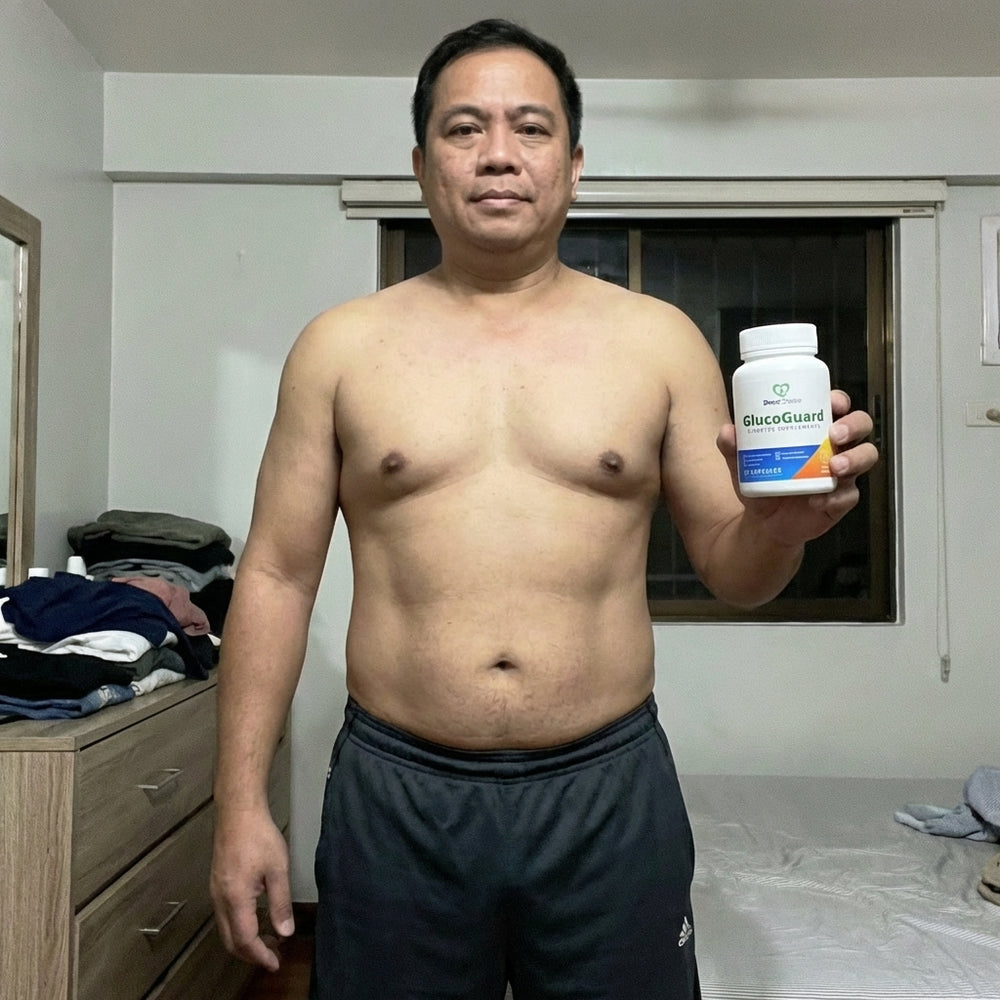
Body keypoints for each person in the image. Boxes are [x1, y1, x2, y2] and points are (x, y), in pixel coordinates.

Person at [210, 18, 879, 1000]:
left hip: (606, 789)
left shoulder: (658, 342)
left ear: (572, 163)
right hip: (399, 791)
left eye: (529, 128)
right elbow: (275, 576)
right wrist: (239, 806)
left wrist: (780, 531)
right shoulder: (339, 349)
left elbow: (736, 570)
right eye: (463, 128)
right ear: (420, 164)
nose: (497, 154)